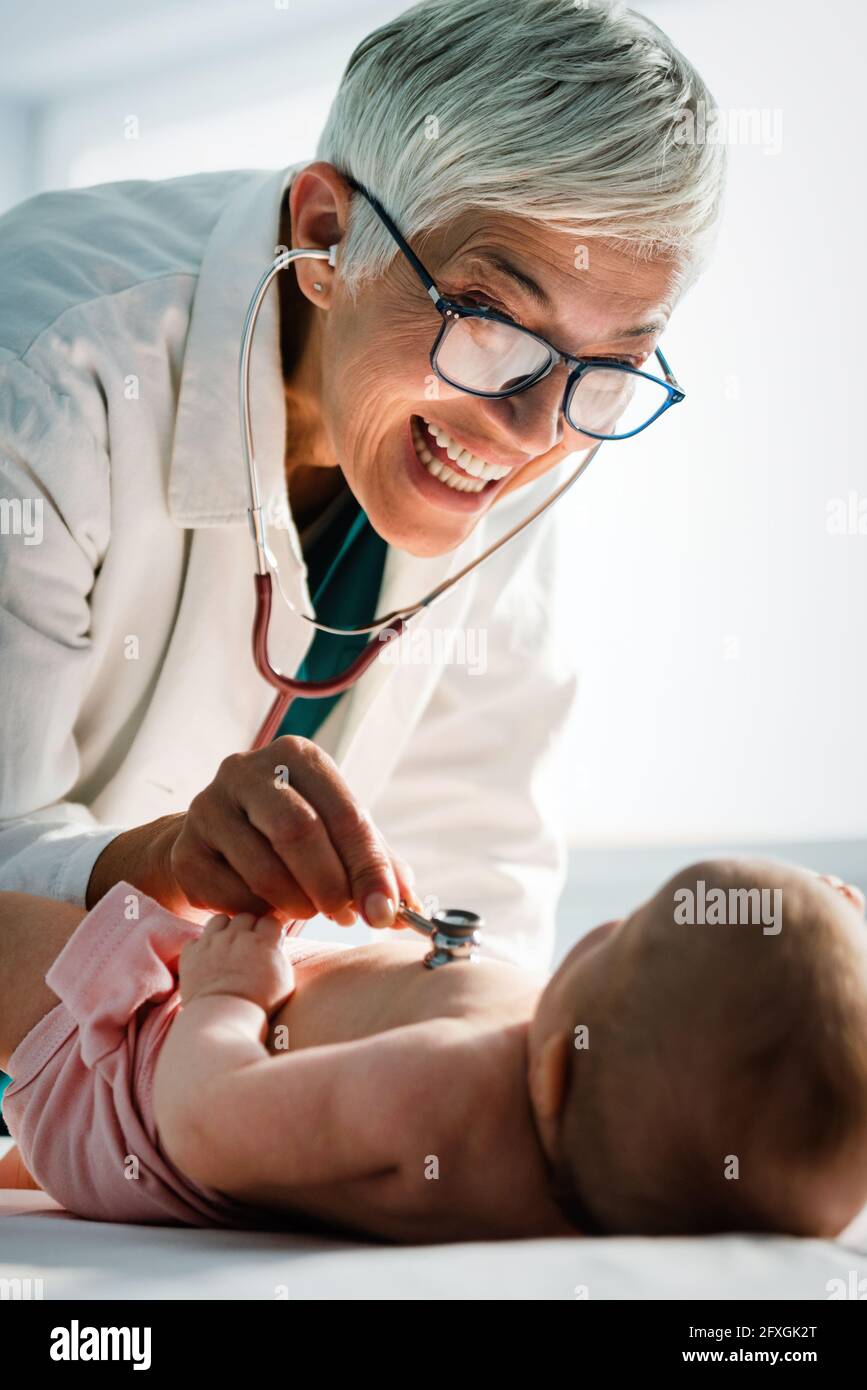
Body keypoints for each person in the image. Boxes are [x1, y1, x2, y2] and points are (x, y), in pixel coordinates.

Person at [0, 0, 725, 978]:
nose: (531, 431)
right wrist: (162, 864)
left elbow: (478, 878)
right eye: (488, 320)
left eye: (608, 367)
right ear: (329, 232)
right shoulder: (46, 366)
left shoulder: (521, 457)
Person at [2, 861, 865, 1241]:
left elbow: (205, 1123)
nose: (605, 927)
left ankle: (40, 1149)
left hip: (137, 1064)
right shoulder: (612, 1163)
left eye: (629, 931)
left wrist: (225, 997)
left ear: (555, 1068)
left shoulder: (443, 1096)